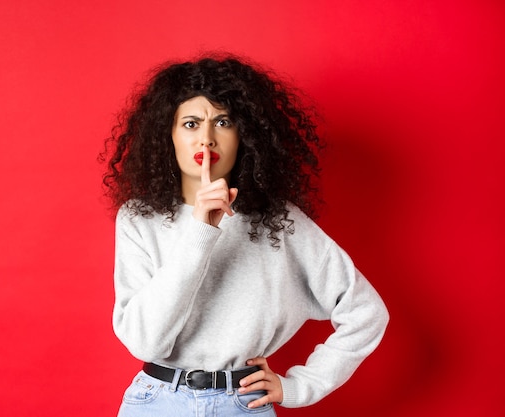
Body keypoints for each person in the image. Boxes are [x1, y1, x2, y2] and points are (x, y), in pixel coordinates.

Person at [101, 53, 389, 416]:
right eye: (190, 124)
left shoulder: (279, 222)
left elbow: (365, 312)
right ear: (168, 136)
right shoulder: (139, 220)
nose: (206, 140)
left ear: (244, 135)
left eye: (222, 121)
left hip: (242, 403)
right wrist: (201, 229)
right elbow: (145, 341)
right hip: (156, 402)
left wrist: (300, 386)